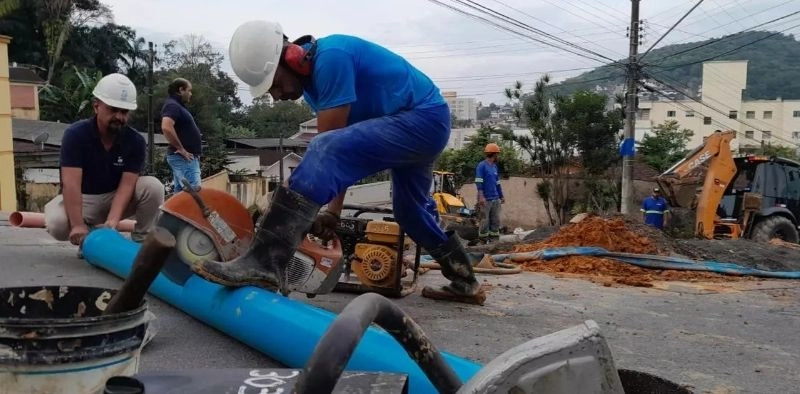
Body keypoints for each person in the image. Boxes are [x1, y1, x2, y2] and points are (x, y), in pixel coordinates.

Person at [191, 20, 486, 305]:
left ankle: (264, 262)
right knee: (408, 212)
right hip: (423, 123)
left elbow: (330, 150)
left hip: (422, 118)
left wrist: (324, 208)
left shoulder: (332, 60)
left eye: (275, 85)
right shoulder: (314, 84)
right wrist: (333, 213)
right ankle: (465, 280)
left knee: (323, 147)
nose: (277, 96)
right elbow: (340, 152)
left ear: (291, 57)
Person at [44, 73, 165, 255]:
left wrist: (112, 222)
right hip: (83, 199)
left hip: (114, 197)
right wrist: (77, 225)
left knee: (153, 187)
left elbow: (127, 185)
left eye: (124, 112)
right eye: (113, 109)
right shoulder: (76, 135)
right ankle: (90, 237)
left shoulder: (135, 142)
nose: (119, 116)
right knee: (57, 223)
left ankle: (141, 244)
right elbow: (71, 184)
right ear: (96, 106)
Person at [161, 78, 203, 192]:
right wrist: (181, 149)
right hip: (184, 157)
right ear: (181, 90)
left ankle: (170, 211)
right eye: (189, 90)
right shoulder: (172, 105)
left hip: (184, 157)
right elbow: (166, 127)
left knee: (180, 194)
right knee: (194, 191)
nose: (191, 94)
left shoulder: (177, 106)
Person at [475, 143, 505, 241]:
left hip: (495, 198)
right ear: (494, 154)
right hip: (485, 199)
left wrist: (501, 196)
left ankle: (494, 240)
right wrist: (481, 196)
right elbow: (479, 181)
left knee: (495, 220)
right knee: (484, 221)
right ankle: (483, 241)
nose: (498, 156)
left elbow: (497, 183)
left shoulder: (494, 167)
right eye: (497, 154)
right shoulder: (481, 166)